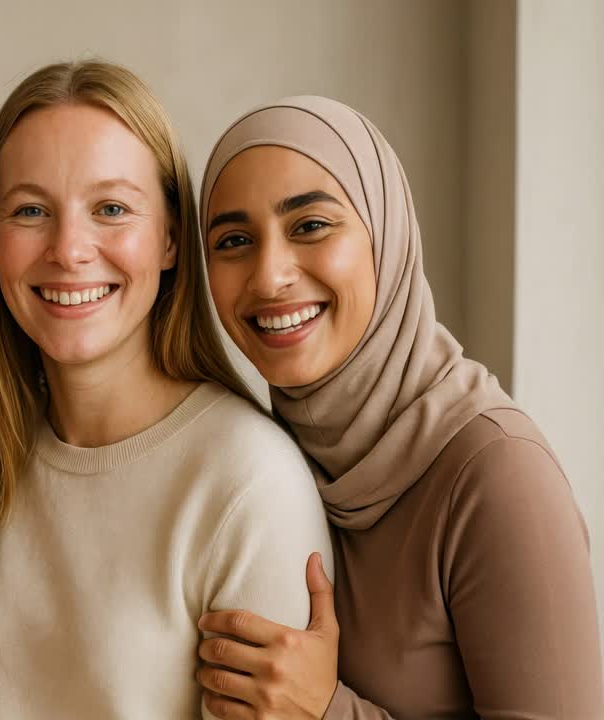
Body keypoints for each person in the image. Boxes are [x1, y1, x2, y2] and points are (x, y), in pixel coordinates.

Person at [196, 95, 603, 719]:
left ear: (387, 236)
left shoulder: (496, 473)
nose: (269, 274)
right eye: (233, 240)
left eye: (310, 226)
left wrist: (327, 711)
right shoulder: (258, 457)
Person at [0, 61, 332, 719]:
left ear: (168, 237)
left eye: (110, 208)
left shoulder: (245, 479)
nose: (69, 249)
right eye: (30, 210)